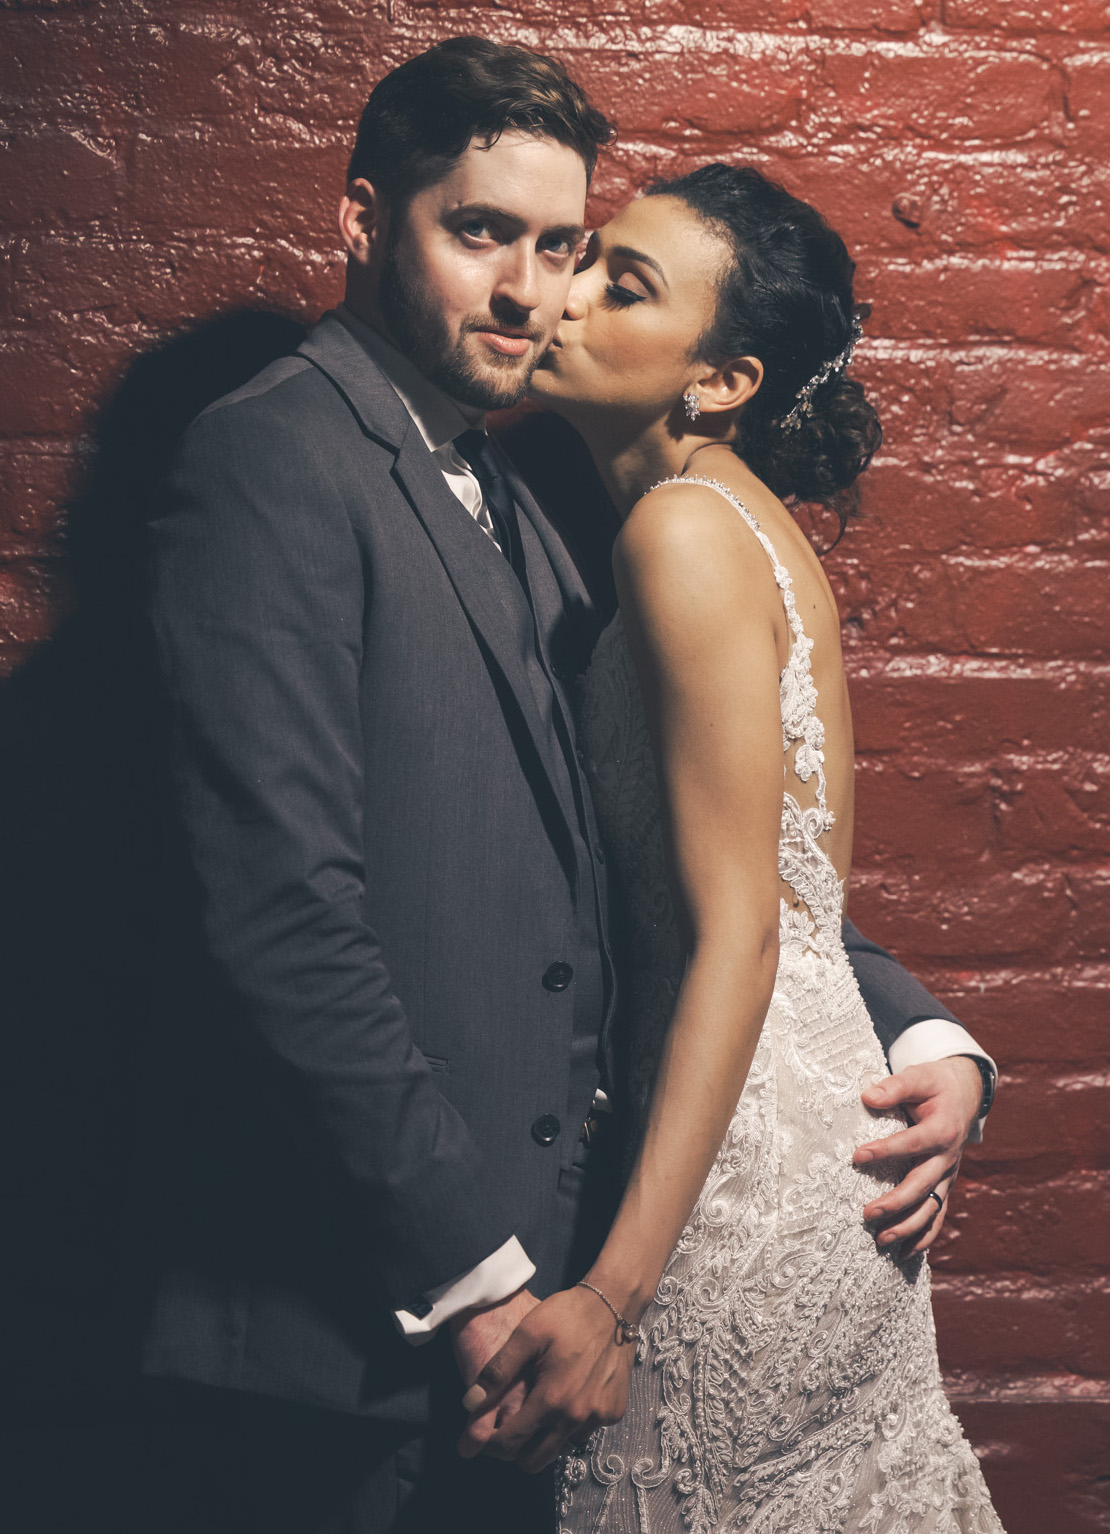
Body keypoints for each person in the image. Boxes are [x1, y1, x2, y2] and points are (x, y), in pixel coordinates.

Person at [141, 37, 996, 1532]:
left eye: (566, 248)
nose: (531, 290)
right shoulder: (271, 458)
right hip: (380, 1308)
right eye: (479, 234)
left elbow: (684, 855)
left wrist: (922, 1026)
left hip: (585, 1257)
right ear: (358, 218)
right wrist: (474, 1272)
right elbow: (283, 913)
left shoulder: (558, 504)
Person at [458, 166, 1005, 1530]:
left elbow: (747, 929)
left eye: (621, 281)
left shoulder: (681, 529)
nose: (563, 291)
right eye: (589, 256)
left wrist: (609, 1291)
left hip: (741, 1167)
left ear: (719, 378)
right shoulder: (719, 518)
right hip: (800, 1124)